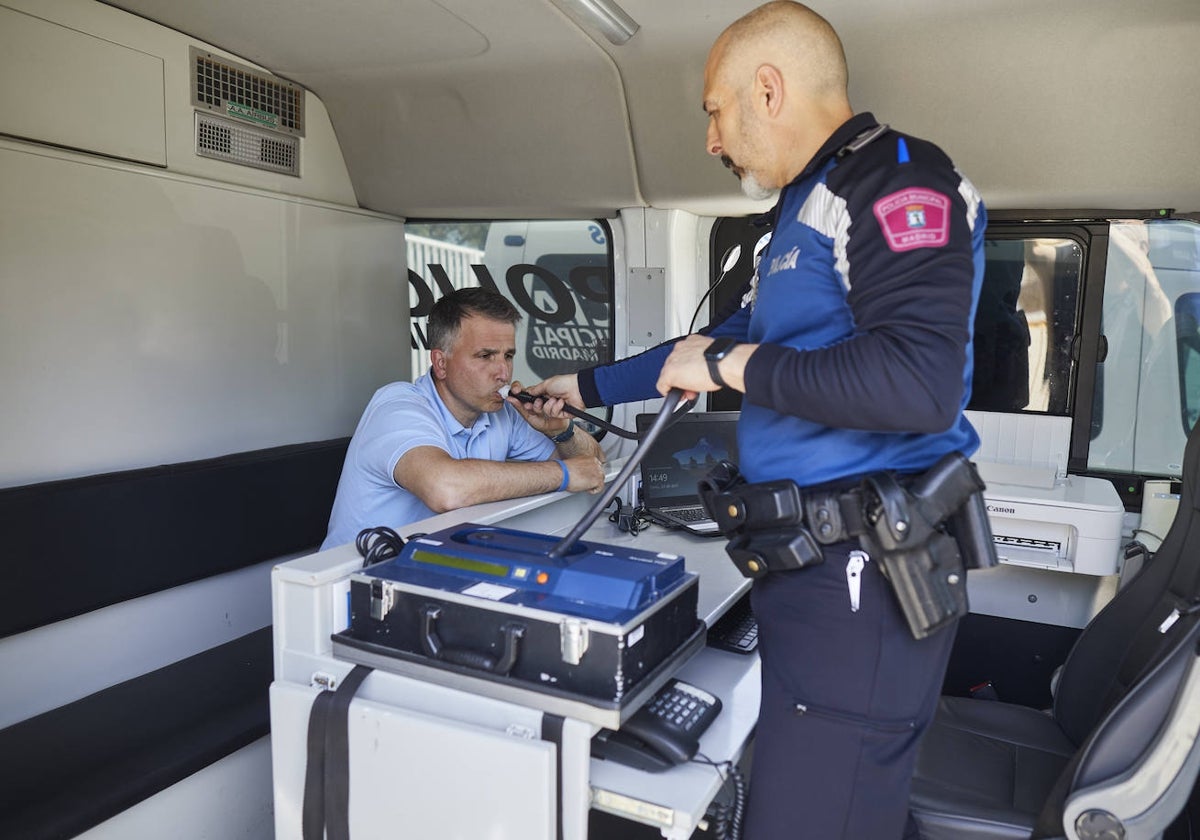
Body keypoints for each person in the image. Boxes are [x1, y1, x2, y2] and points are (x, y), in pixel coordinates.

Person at [525, 3, 987, 837]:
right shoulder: (804, 208)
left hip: (866, 572)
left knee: (813, 819)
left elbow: (918, 382)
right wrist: (584, 385)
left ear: (767, 90)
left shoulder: (895, 179)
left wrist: (730, 369)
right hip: (812, 567)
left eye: (714, 109)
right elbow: (717, 340)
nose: (711, 139)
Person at [321, 287, 605, 550]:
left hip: (433, 568)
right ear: (441, 363)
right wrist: (564, 474)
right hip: (351, 582)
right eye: (485, 356)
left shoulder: (502, 412)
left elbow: (593, 465)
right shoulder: (397, 406)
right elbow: (446, 489)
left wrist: (561, 430)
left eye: (508, 355)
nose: (503, 373)